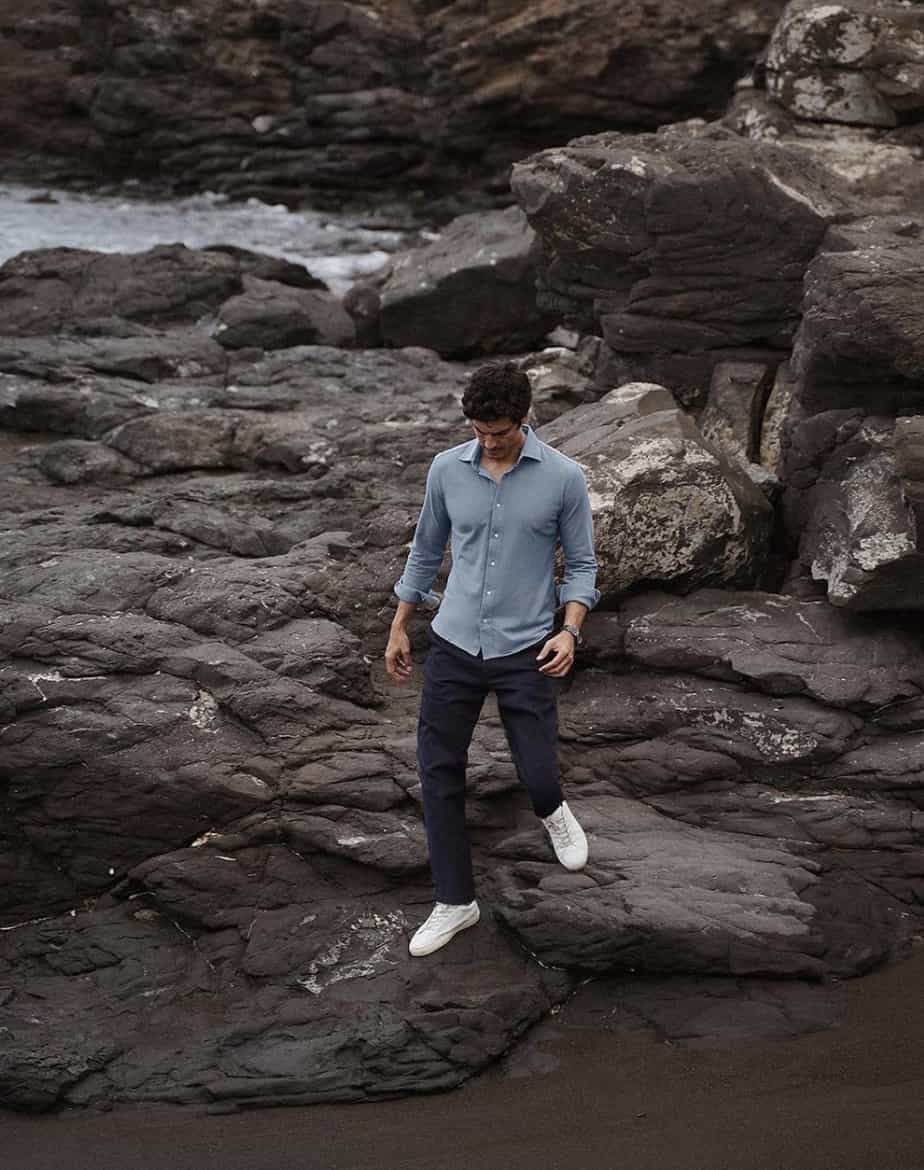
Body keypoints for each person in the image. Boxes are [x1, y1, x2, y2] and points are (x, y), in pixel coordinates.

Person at [384, 360, 600, 957]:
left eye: (499, 431)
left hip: (527, 647)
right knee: (438, 772)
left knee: (534, 768)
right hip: (453, 642)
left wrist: (570, 631)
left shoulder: (564, 478)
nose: (488, 442)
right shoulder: (445, 470)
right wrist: (401, 625)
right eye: (479, 431)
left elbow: (582, 567)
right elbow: (426, 550)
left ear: (524, 418)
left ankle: (552, 808)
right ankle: (456, 901)